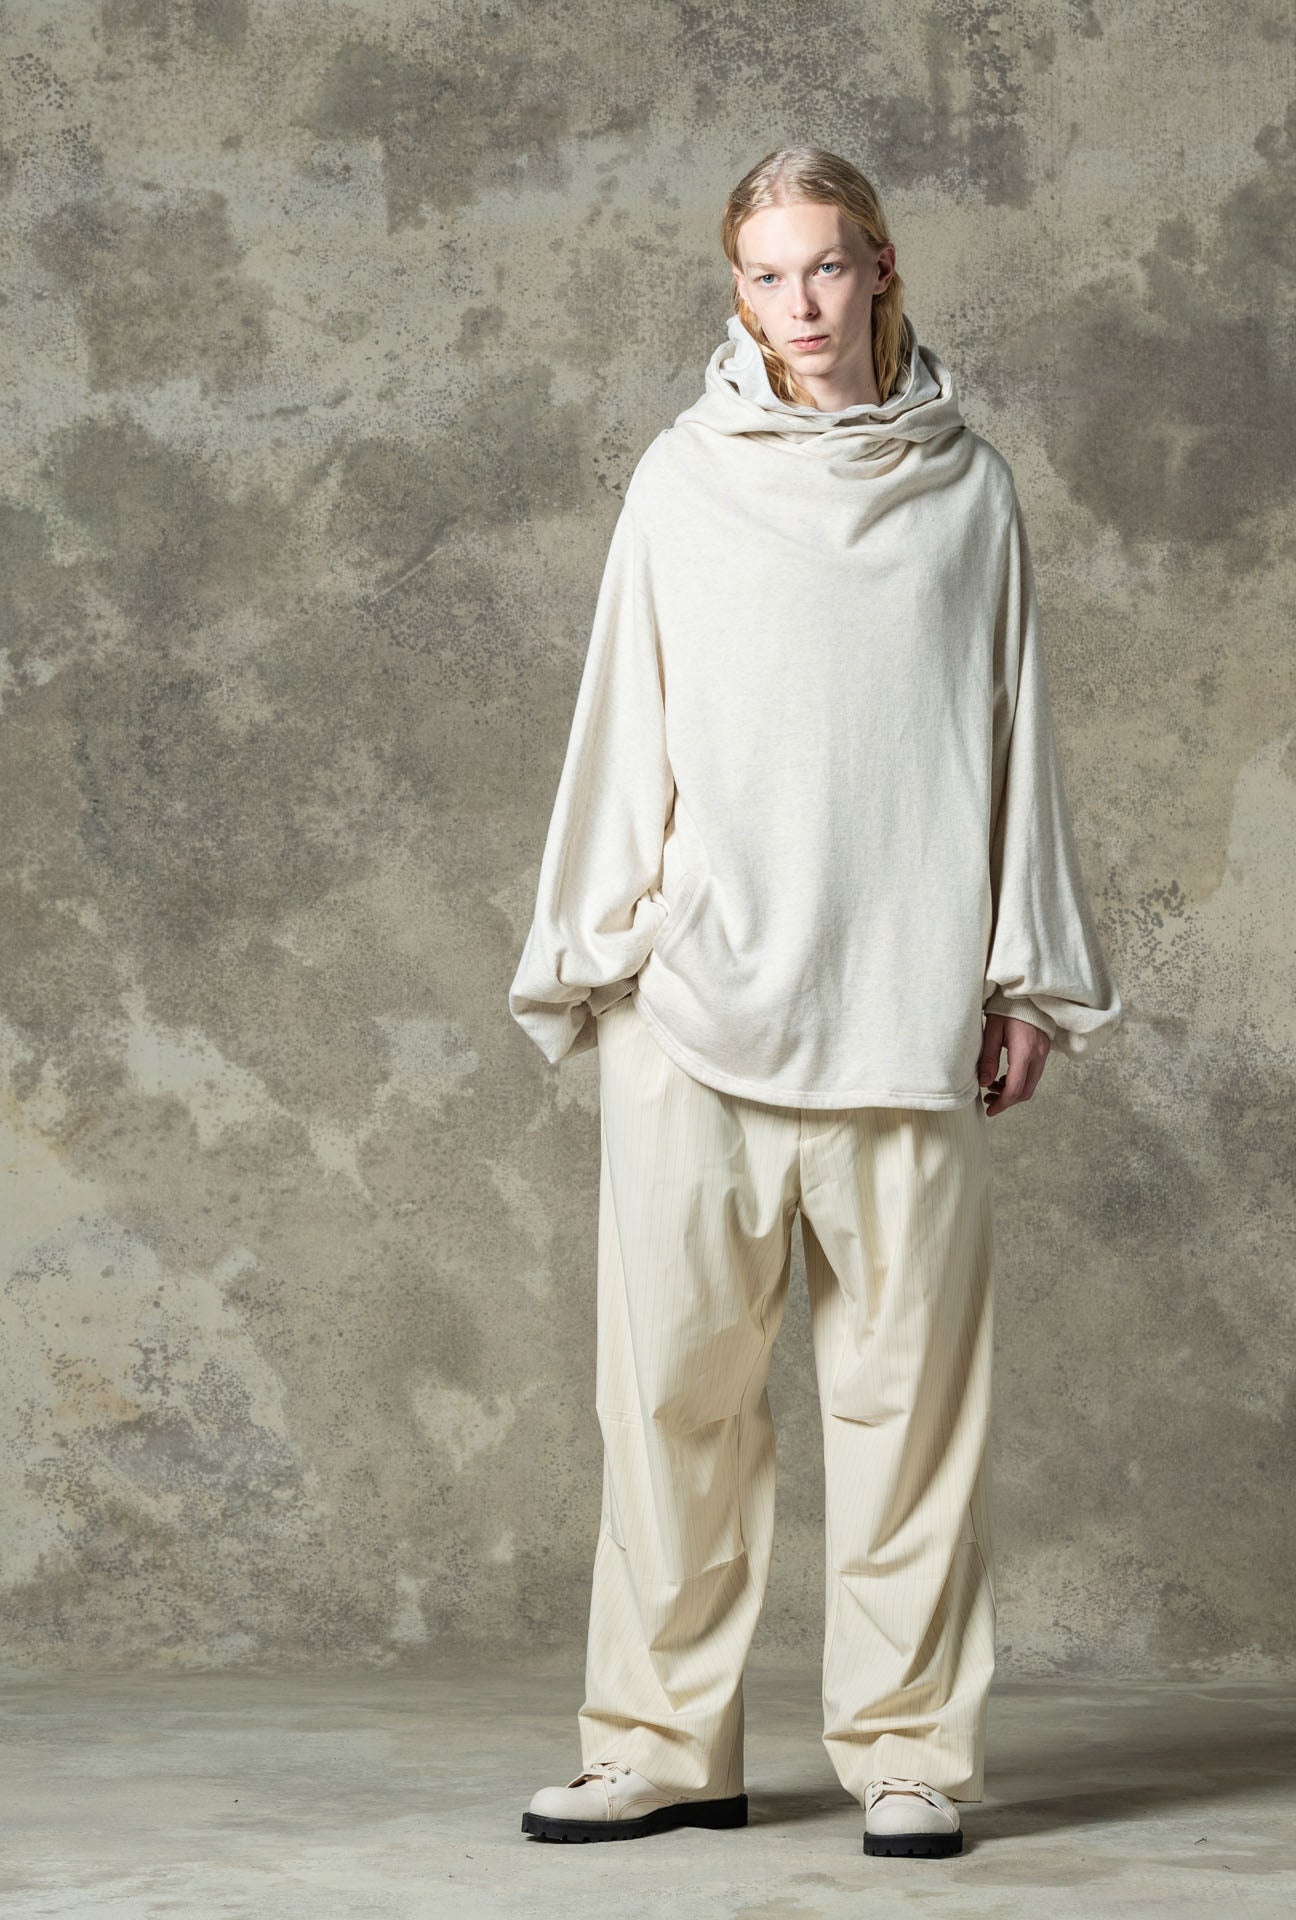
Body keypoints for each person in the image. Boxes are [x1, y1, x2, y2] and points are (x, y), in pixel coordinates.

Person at [508, 146, 1121, 1860]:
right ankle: (659, 1746)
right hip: (696, 1016)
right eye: (766, 276)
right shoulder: (682, 480)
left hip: (905, 1007)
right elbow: (623, 719)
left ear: (881, 268)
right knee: (670, 1405)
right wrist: (601, 954)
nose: (799, 305)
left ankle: (910, 1751)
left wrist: (1027, 974)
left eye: (827, 268)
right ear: (738, 293)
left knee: (911, 1414)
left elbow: (1016, 736)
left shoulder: (968, 491)